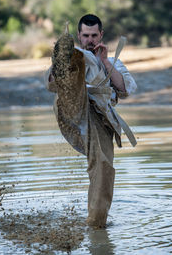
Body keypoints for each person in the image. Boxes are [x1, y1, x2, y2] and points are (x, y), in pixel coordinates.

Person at [45, 14, 137, 228]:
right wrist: (63, 62)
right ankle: (66, 69)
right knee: (73, 63)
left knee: (103, 168)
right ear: (79, 35)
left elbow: (125, 90)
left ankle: (95, 224)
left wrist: (104, 61)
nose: (90, 40)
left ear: (101, 35)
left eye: (94, 35)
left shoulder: (113, 62)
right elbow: (50, 85)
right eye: (85, 35)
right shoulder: (72, 56)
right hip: (72, 112)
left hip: (100, 120)